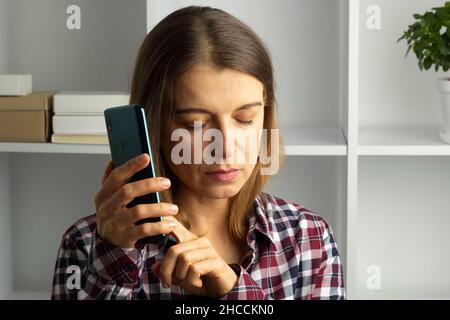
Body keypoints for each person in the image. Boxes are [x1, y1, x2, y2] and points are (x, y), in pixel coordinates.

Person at [51, 6, 345, 300]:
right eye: (195, 124)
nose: (225, 147)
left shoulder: (309, 237)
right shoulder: (86, 245)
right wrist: (113, 261)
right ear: (153, 125)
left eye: (245, 118)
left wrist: (235, 292)